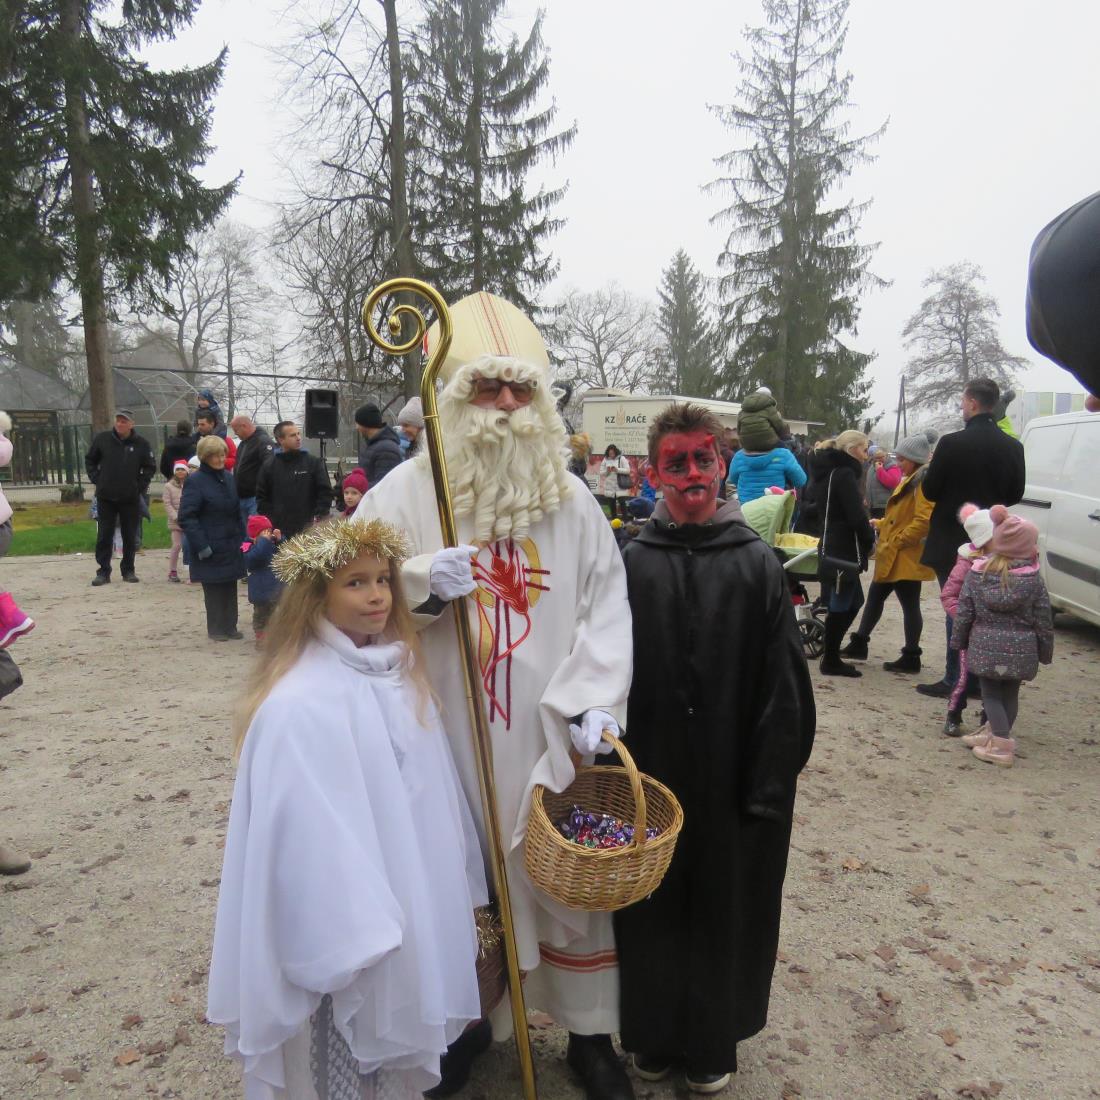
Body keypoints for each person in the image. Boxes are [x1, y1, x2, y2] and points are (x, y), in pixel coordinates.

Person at [354, 291, 635, 1100]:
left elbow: (605, 608)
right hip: (442, 741)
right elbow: (346, 594)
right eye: (487, 386)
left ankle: (589, 1036)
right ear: (450, 398)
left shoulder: (573, 502)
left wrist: (593, 701)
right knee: (455, 887)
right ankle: (465, 1028)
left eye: (522, 388)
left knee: (570, 881)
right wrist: (416, 585)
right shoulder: (402, 496)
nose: (507, 403)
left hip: (550, 739)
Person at [208, 518, 487, 1100]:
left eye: (383, 579)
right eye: (355, 583)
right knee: (338, 1043)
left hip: (402, 893)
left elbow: (429, 799)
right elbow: (303, 831)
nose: (378, 595)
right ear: (317, 597)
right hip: (348, 919)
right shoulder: (299, 702)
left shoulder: (399, 677)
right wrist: (359, 925)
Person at [615, 402, 815, 1094]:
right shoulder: (633, 562)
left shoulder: (756, 563)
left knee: (727, 906)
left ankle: (710, 1040)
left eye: (704, 459)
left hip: (734, 776)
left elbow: (785, 686)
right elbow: (606, 669)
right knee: (651, 904)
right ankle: (652, 1032)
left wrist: (769, 783)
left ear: (723, 465)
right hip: (654, 771)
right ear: (653, 473)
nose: (693, 474)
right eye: (677, 462)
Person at [917, 379, 1026, 700]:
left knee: (957, 607)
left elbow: (930, 491)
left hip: (952, 538)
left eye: (963, 401)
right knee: (984, 611)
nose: (961, 406)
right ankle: (980, 679)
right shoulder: (1013, 447)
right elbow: (1015, 493)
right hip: (992, 540)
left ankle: (957, 678)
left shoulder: (951, 444)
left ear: (974, 403)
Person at [950, 506, 1053, 768]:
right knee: (1010, 694)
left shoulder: (977, 574)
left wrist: (958, 641)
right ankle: (994, 733)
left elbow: (964, 613)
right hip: (1022, 649)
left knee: (991, 695)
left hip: (985, 646)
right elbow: (1044, 619)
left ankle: (1001, 744)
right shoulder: (1035, 581)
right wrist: (1045, 651)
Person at [839, 434, 934, 672]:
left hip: (904, 553)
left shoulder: (922, 483)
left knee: (908, 603)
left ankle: (911, 655)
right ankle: (860, 642)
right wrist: (881, 524)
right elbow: (900, 516)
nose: (898, 464)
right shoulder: (911, 479)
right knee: (876, 596)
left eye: (902, 459)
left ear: (915, 459)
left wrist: (899, 540)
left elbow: (923, 520)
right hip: (895, 551)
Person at [809, 431, 876, 677]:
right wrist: (869, 540)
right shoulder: (844, 474)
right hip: (842, 547)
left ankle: (832, 653)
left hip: (832, 543)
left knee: (852, 600)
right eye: (864, 449)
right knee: (844, 602)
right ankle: (831, 658)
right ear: (851, 449)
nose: (866, 455)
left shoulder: (827, 471)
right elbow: (855, 515)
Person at [178, 435, 245, 641]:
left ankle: (230, 626)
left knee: (230, 585)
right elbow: (187, 516)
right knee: (214, 587)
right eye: (215, 455)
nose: (220, 459)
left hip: (231, 541)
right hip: (209, 542)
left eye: (223, 455)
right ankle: (216, 628)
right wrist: (201, 545)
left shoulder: (229, 478)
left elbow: (237, 511)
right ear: (205, 457)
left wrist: (243, 539)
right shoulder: (195, 481)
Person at [940, 504, 995, 737]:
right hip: (969, 629)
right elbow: (949, 595)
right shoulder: (966, 562)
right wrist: (963, 618)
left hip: (994, 631)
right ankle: (954, 714)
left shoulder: (1006, 561)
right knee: (964, 676)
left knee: (992, 678)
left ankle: (989, 720)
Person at [85, 409, 156, 587]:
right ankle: (103, 571)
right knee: (104, 534)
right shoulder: (102, 439)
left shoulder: (141, 444)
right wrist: (97, 479)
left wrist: (139, 486)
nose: (120, 424)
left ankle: (128, 570)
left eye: (124, 421)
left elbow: (150, 467)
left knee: (129, 534)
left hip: (129, 497)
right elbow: (90, 460)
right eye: (118, 420)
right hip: (106, 496)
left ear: (132, 424)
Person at [256, 421, 332, 539]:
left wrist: (319, 516)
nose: (298, 438)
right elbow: (262, 498)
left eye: (298, 433)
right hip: (280, 530)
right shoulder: (269, 466)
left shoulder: (312, 462)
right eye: (292, 435)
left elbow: (325, 492)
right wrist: (271, 521)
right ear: (281, 440)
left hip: (309, 529)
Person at [241, 515, 282, 645]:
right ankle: (261, 637)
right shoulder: (247, 545)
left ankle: (273, 636)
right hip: (260, 589)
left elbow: (285, 553)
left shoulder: (270, 544)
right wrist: (263, 541)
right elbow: (255, 557)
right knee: (261, 615)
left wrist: (280, 540)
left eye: (269, 531)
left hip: (275, 587)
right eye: (265, 532)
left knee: (275, 615)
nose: (268, 535)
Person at [229, 415, 274, 525]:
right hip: (242, 496)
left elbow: (269, 466)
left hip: (255, 497)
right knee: (245, 531)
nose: (235, 434)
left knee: (255, 530)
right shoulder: (243, 443)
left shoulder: (263, 441)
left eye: (236, 430)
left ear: (244, 426)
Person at [355, 403, 403, 485]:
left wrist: (357, 488)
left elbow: (384, 485)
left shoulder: (386, 450)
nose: (356, 427)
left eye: (358, 423)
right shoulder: (373, 445)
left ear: (365, 423)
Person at [162, 459, 190, 582]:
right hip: (176, 522)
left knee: (189, 545)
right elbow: (167, 504)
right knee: (177, 545)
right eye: (177, 469)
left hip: (189, 520)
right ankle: (172, 571)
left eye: (182, 469)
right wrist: (176, 516)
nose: (180, 471)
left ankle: (192, 569)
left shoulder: (191, 485)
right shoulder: (168, 486)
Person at [864, 447, 901, 520]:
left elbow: (893, 482)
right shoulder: (872, 466)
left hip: (885, 505)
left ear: (887, 456)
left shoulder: (892, 466)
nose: (878, 460)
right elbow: (869, 483)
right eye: (876, 458)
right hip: (873, 505)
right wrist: (867, 497)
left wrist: (880, 470)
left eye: (881, 457)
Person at [597, 443, 632, 518]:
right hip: (609, 486)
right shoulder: (605, 459)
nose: (611, 455)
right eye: (610, 453)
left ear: (616, 452)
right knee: (612, 506)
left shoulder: (621, 458)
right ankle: (614, 521)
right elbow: (601, 472)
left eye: (612, 453)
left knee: (622, 504)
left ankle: (626, 520)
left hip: (620, 485)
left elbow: (628, 470)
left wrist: (617, 470)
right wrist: (607, 471)